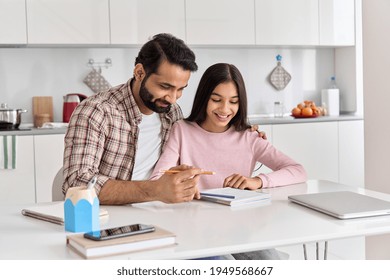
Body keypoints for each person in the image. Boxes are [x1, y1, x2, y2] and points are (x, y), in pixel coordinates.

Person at [63, 33, 265, 205]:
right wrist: (154, 190)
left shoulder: (171, 112)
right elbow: (77, 184)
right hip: (112, 222)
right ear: (140, 72)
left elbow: (199, 139)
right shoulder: (96, 112)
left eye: (180, 89)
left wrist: (242, 132)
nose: (172, 98)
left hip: (166, 214)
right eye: (165, 87)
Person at [150, 63, 307, 259]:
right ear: (204, 98)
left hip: (239, 230)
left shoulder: (249, 137)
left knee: (272, 261)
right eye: (216, 99)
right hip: (195, 231)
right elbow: (158, 179)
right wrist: (181, 181)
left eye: (233, 101)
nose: (225, 109)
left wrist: (257, 181)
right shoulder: (182, 130)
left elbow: (297, 170)